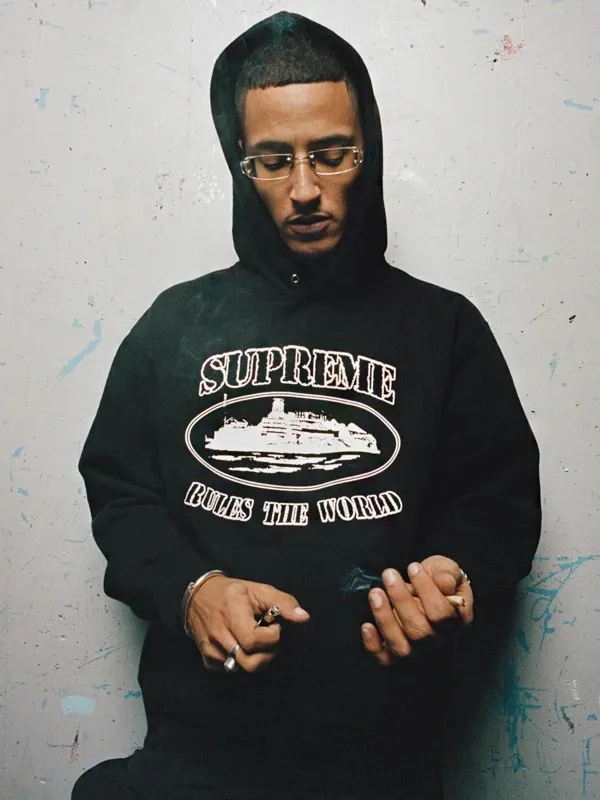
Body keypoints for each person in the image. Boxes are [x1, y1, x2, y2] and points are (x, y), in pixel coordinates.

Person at [72, 10, 541, 800]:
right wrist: (192, 589)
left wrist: (455, 576)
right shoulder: (174, 324)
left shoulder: (445, 328)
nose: (302, 190)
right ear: (240, 164)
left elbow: (497, 501)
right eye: (271, 161)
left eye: (330, 155)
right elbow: (121, 492)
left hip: (386, 762)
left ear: (369, 154)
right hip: (197, 759)